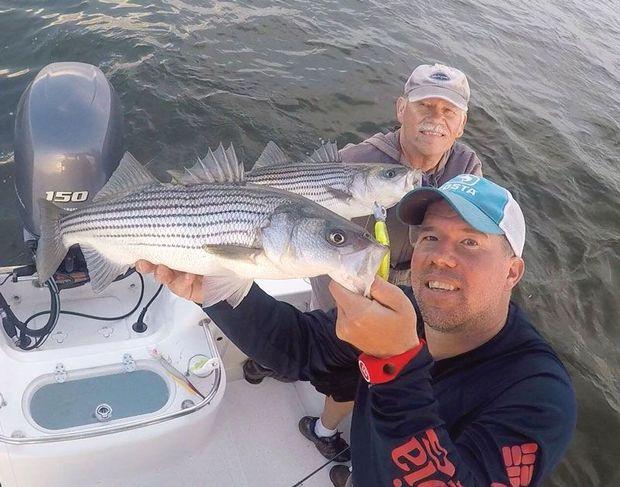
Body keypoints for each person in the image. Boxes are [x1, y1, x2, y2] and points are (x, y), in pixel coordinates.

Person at [136, 175, 576, 487]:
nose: (440, 257)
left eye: (470, 242)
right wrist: (214, 292)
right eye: (429, 238)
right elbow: (296, 346)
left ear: (512, 271)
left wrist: (396, 365)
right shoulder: (406, 314)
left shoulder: (540, 396)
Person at [244, 62, 484, 463]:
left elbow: (467, 233)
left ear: (460, 124)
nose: (435, 119)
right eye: (425, 106)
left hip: (410, 285)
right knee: (340, 358)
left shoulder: (466, 165)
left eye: (448, 111)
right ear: (401, 108)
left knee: (342, 353)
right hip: (346, 276)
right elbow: (289, 206)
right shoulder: (356, 159)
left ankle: (276, 363)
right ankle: (320, 428)